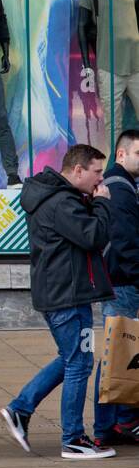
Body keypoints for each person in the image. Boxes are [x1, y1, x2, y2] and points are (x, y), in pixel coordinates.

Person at [3, 144, 117, 460]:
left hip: (65, 293)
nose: (100, 180)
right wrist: (103, 205)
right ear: (77, 170)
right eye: (96, 172)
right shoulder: (62, 204)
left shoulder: (58, 198)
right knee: (79, 362)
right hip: (66, 296)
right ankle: (73, 439)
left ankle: (20, 409)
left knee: (71, 358)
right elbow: (93, 236)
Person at [94, 130, 139, 446]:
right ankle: (110, 424)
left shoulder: (124, 186)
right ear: (121, 154)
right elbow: (125, 242)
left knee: (121, 351)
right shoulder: (120, 189)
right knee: (116, 352)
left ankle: (118, 422)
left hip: (121, 280)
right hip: (123, 282)